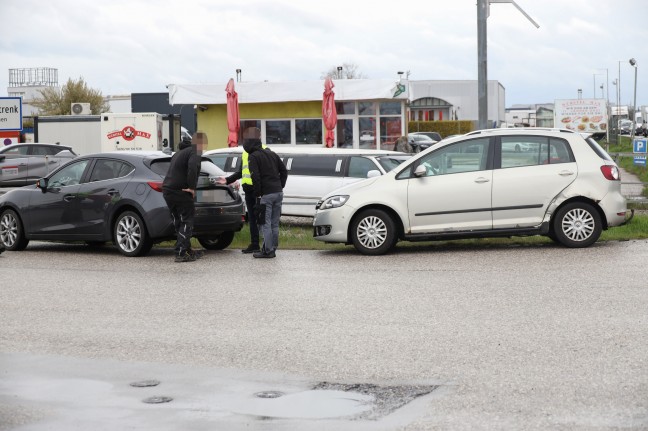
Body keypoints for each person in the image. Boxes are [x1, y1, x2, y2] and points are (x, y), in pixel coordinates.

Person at [216, 127, 266, 254]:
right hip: (249, 191)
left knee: (263, 218)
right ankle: (255, 244)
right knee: (253, 219)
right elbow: (241, 172)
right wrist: (227, 180)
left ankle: (267, 245)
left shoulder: (264, 150)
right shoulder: (245, 152)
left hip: (260, 190)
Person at [162, 133, 205, 262]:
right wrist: (192, 187)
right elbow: (192, 168)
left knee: (179, 221)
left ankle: (186, 249)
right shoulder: (194, 151)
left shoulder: (178, 154)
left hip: (168, 190)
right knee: (187, 220)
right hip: (181, 191)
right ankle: (180, 253)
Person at [246, 138, 288, 258]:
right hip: (278, 192)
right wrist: (281, 185)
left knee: (265, 223)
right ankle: (273, 248)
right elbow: (284, 170)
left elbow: (255, 176)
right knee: (274, 223)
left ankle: (268, 251)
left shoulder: (253, 156)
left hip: (266, 194)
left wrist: (258, 193)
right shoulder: (272, 154)